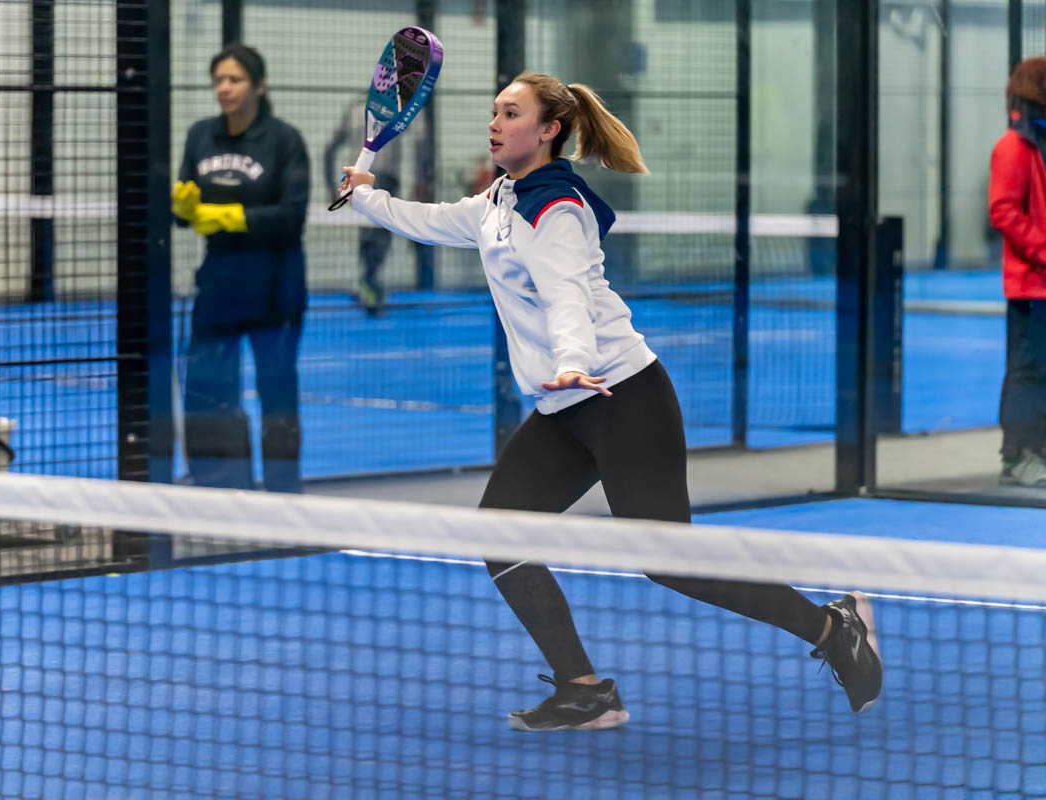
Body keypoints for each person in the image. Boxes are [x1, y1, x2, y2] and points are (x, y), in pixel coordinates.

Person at [340, 73, 882, 731]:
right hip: (567, 407)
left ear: (548, 131)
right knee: (501, 533)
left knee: (668, 560)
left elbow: (567, 294)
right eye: (494, 111)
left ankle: (833, 628)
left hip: (623, 397)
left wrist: (571, 362)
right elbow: (436, 221)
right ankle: (583, 690)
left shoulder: (555, 210)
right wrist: (367, 197)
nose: (495, 123)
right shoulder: (500, 200)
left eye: (511, 113)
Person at [172, 44, 309, 493]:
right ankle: (222, 489)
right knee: (209, 388)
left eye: (235, 79)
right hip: (219, 286)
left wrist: (233, 216)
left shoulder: (284, 140)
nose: (225, 88)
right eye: (219, 80)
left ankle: (282, 493)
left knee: (277, 392)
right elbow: (185, 208)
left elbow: (292, 216)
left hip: (276, 288)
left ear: (259, 85)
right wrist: (182, 209)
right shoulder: (200, 135)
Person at [991, 56, 1046, 488]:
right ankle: (1016, 457)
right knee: (1028, 373)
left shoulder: (1039, 143)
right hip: (1030, 286)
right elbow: (1004, 211)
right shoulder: (1012, 147)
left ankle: (1036, 450)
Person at [324, 99, 408, 315]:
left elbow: (329, 150)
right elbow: (329, 150)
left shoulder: (358, 111)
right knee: (376, 237)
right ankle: (369, 285)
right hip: (372, 179)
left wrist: (331, 187)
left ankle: (369, 284)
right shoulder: (386, 112)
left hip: (372, 180)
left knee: (375, 236)